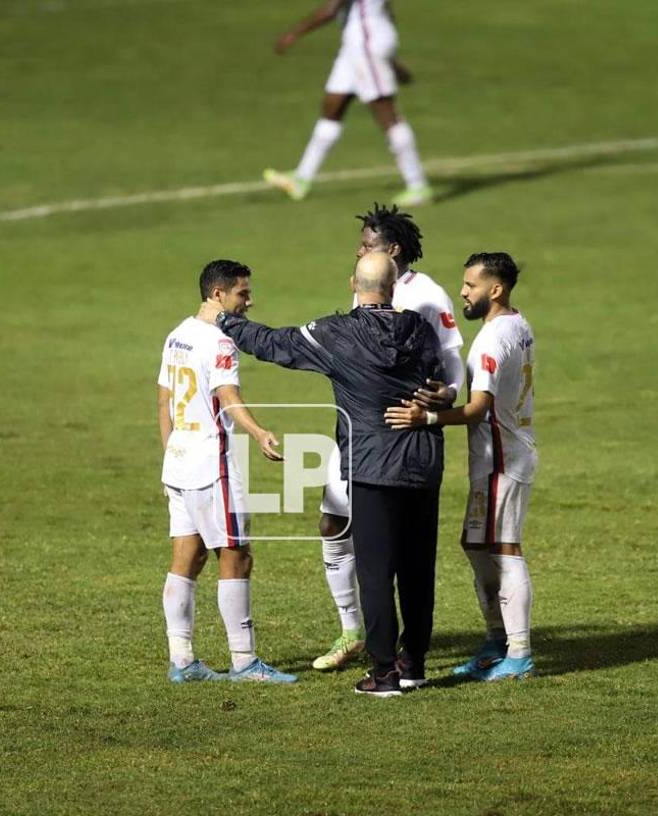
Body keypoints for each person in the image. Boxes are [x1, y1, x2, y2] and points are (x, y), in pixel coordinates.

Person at [216, 251, 444, 696]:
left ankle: (384, 673)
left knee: (376, 573)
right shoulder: (420, 329)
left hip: (372, 467)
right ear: (394, 287)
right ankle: (413, 663)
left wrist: (227, 321)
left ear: (353, 285)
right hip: (421, 461)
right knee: (418, 569)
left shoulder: (338, 332)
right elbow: (438, 384)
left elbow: (274, 344)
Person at [310, 202, 464, 673]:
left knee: (392, 551)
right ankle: (353, 630)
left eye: (367, 245)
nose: (359, 251)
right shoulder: (371, 284)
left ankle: (398, 652)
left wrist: (447, 394)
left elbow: (451, 356)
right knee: (332, 522)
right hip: (358, 430)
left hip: (398, 438)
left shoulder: (428, 295)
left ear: (393, 249)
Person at [386, 252, 537, 681]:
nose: (463, 292)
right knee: (476, 545)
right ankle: (496, 642)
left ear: (496, 289)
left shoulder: (491, 340)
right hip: (495, 455)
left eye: (471, 285)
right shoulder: (517, 324)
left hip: (503, 457)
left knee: (504, 549)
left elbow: (478, 409)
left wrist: (427, 417)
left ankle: (519, 653)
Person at [157, 260, 297, 684]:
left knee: (187, 558)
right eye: (243, 293)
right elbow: (228, 396)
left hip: (179, 463)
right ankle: (244, 662)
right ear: (218, 294)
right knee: (236, 556)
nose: (249, 302)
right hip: (211, 466)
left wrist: (170, 455)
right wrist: (258, 432)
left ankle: (182, 661)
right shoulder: (221, 341)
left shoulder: (177, 334)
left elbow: (163, 401)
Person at [263, 0, 433, 206]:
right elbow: (387, 9)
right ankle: (301, 178)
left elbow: (331, 9)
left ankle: (417, 185)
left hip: (365, 42)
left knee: (387, 114)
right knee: (332, 107)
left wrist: (293, 34)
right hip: (358, 43)